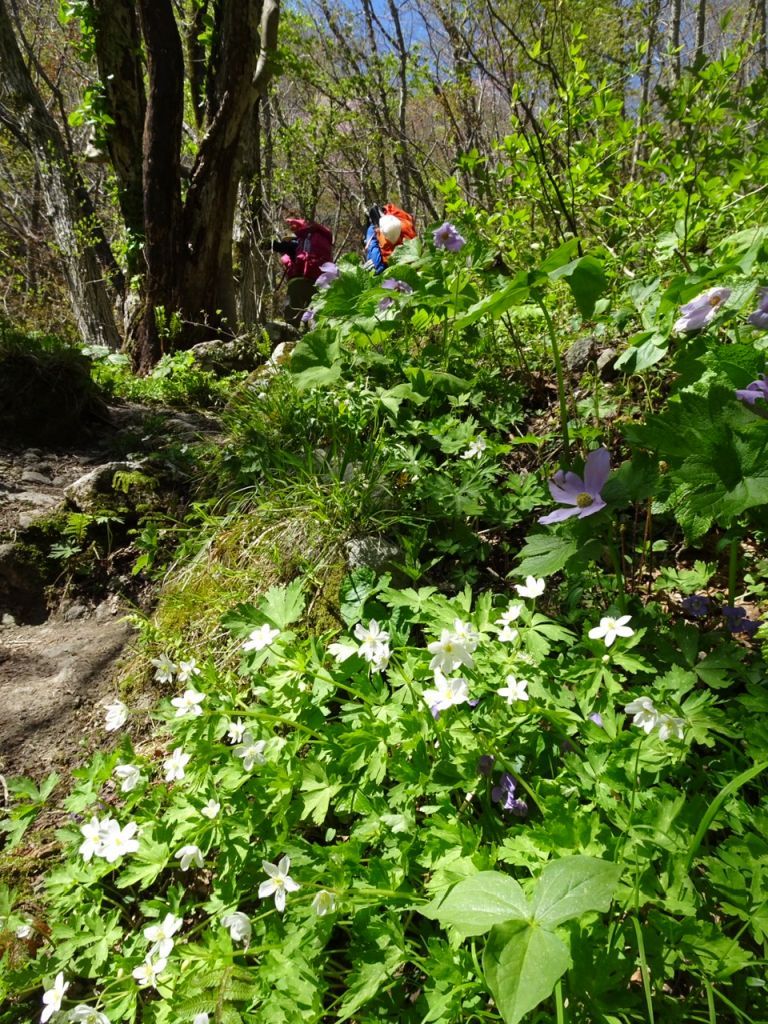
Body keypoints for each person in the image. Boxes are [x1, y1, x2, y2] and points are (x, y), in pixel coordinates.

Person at [264, 216, 333, 325]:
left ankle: (290, 337)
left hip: (299, 281)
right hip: (319, 282)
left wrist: (268, 244)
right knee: (314, 314)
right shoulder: (318, 241)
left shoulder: (297, 243)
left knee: (292, 315)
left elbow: (281, 246)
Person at [364, 203, 417, 274]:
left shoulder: (408, 233)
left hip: (398, 262)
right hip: (384, 220)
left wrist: (378, 268)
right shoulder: (404, 222)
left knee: (377, 265)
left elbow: (381, 257)